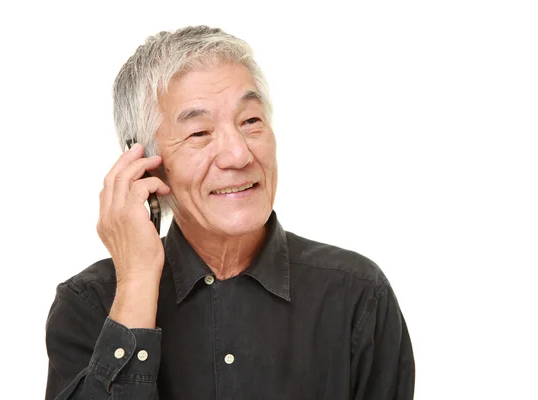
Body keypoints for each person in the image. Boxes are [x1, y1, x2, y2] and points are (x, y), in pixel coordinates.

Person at [45, 25, 415, 400]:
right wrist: (137, 283)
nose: (239, 155)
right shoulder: (90, 304)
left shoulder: (357, 294)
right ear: (144, 165)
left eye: (250, 121)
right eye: (199, 133)